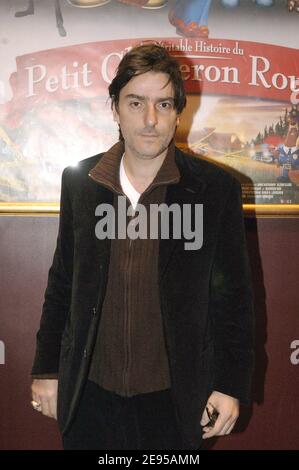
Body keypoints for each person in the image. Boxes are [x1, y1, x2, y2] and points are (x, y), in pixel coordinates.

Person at [31, 43, 255, 450]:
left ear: (178, 113)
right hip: (90, 399)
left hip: (175, 403)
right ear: (115, 109)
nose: (150, 120)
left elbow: (234, 299)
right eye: (136, 103)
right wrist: (46, 369)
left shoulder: (214, 190)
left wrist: (229, 384)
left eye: (164, 104)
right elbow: (62, 281)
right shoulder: (81, 183)